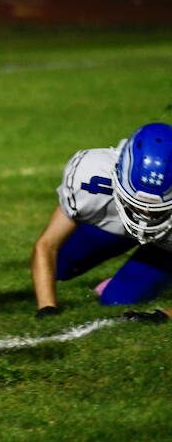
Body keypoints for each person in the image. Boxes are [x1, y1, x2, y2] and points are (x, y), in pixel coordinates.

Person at [31, 121, 172, 317]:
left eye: (154, 209)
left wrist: (164, 315)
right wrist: (47, 307)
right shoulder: (92, 176)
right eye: (136, 204)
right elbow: (47, 244)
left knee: (117, 300)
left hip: (166, 245)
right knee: (59, 266)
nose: (145, 214)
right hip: (115, 225)